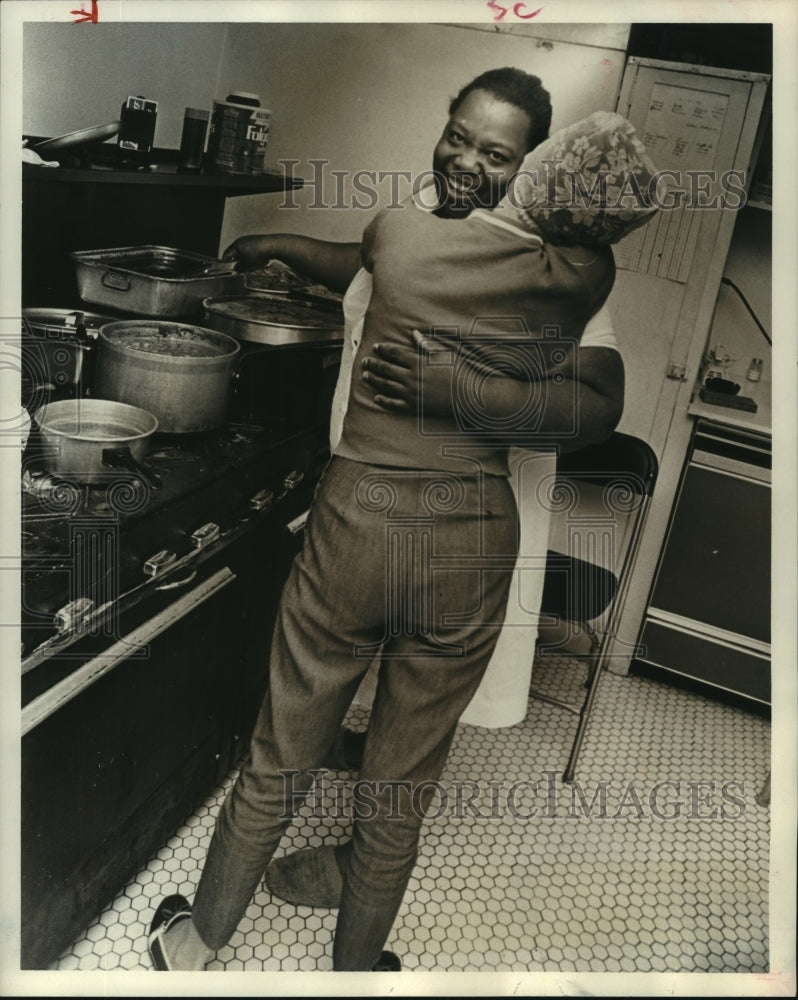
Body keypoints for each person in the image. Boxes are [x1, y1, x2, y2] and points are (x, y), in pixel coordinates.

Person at [147, 69, 632, 973]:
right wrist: (286, 244)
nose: (464, 160)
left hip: (358, 522)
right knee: (402, 788)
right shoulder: (575, 269)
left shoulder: (401, 232)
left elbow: (599, 405)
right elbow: (359, 260)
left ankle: (197, 941)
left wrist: (466, 392)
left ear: (531, 171)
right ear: (443, 126)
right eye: (458, 135)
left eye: (496, 154)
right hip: (470, 537)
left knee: (280, 745)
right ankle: (356, 972)